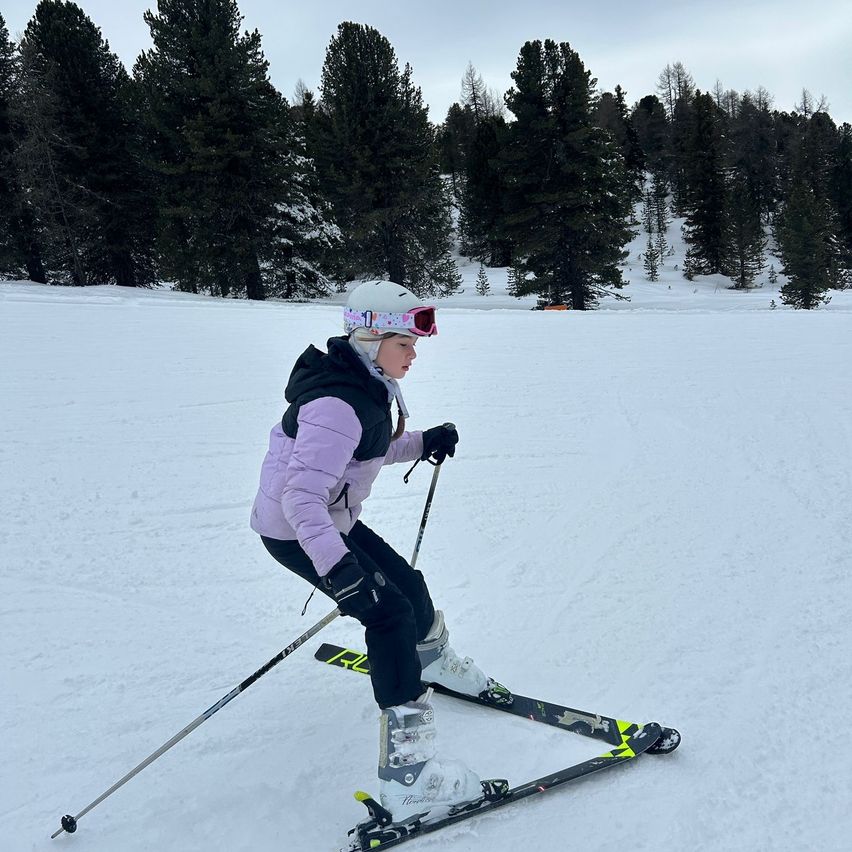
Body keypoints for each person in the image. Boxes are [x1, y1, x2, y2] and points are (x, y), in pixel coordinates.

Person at [249, 280, 509, 824]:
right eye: (405, 345)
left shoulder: (364, 386)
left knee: (408, 587)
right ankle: (411, 780)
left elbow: (364, 453)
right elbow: (300, 497)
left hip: (330, 517)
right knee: (387, 613)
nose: (413, 356)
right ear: (370, 338)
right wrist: (340, 571)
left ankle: (432, 663)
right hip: (300, 529)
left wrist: (421, 441)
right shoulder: (337, 403)